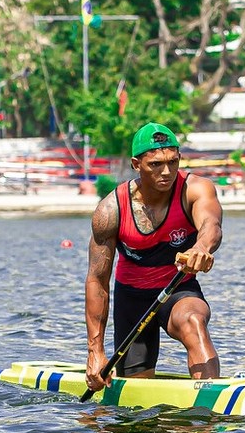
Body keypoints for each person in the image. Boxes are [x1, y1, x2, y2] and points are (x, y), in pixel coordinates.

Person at [84, 122, 223, 392]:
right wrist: (95, 352)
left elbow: (211, 225)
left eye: (173, 161)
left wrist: (201, 248)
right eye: (156, 164)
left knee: (193, 321)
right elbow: (97, 280)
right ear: (136, 164)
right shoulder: (111, 210)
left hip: (178, 289)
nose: (167, 171)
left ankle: (211, 404)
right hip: (132, 299)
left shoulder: (195, 189)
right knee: (136, 397)